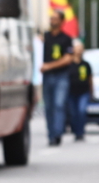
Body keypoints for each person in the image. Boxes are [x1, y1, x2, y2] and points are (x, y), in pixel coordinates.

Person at [40, 10, 73, 146]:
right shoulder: (45, 37)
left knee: (59, 105)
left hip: (61, 76)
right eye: (51, 18)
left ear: (61, 21)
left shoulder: (66, 38)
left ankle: (58, 133)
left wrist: (49, 66)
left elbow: (68, 59)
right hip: (47, 77)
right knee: (48, 107)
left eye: (55, 18)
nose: (52, 20)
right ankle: (51, 134)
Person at [67, 40, 93, 141]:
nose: (79, 51)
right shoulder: (69, 64)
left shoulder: (86, 64)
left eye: (81, 49)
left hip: (83, 92)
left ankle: (80, 132)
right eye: (77, 49)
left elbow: (90, 79)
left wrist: (91, 91)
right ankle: (75, 130)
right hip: (71, 92)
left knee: (81, 111)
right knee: (73, 113)